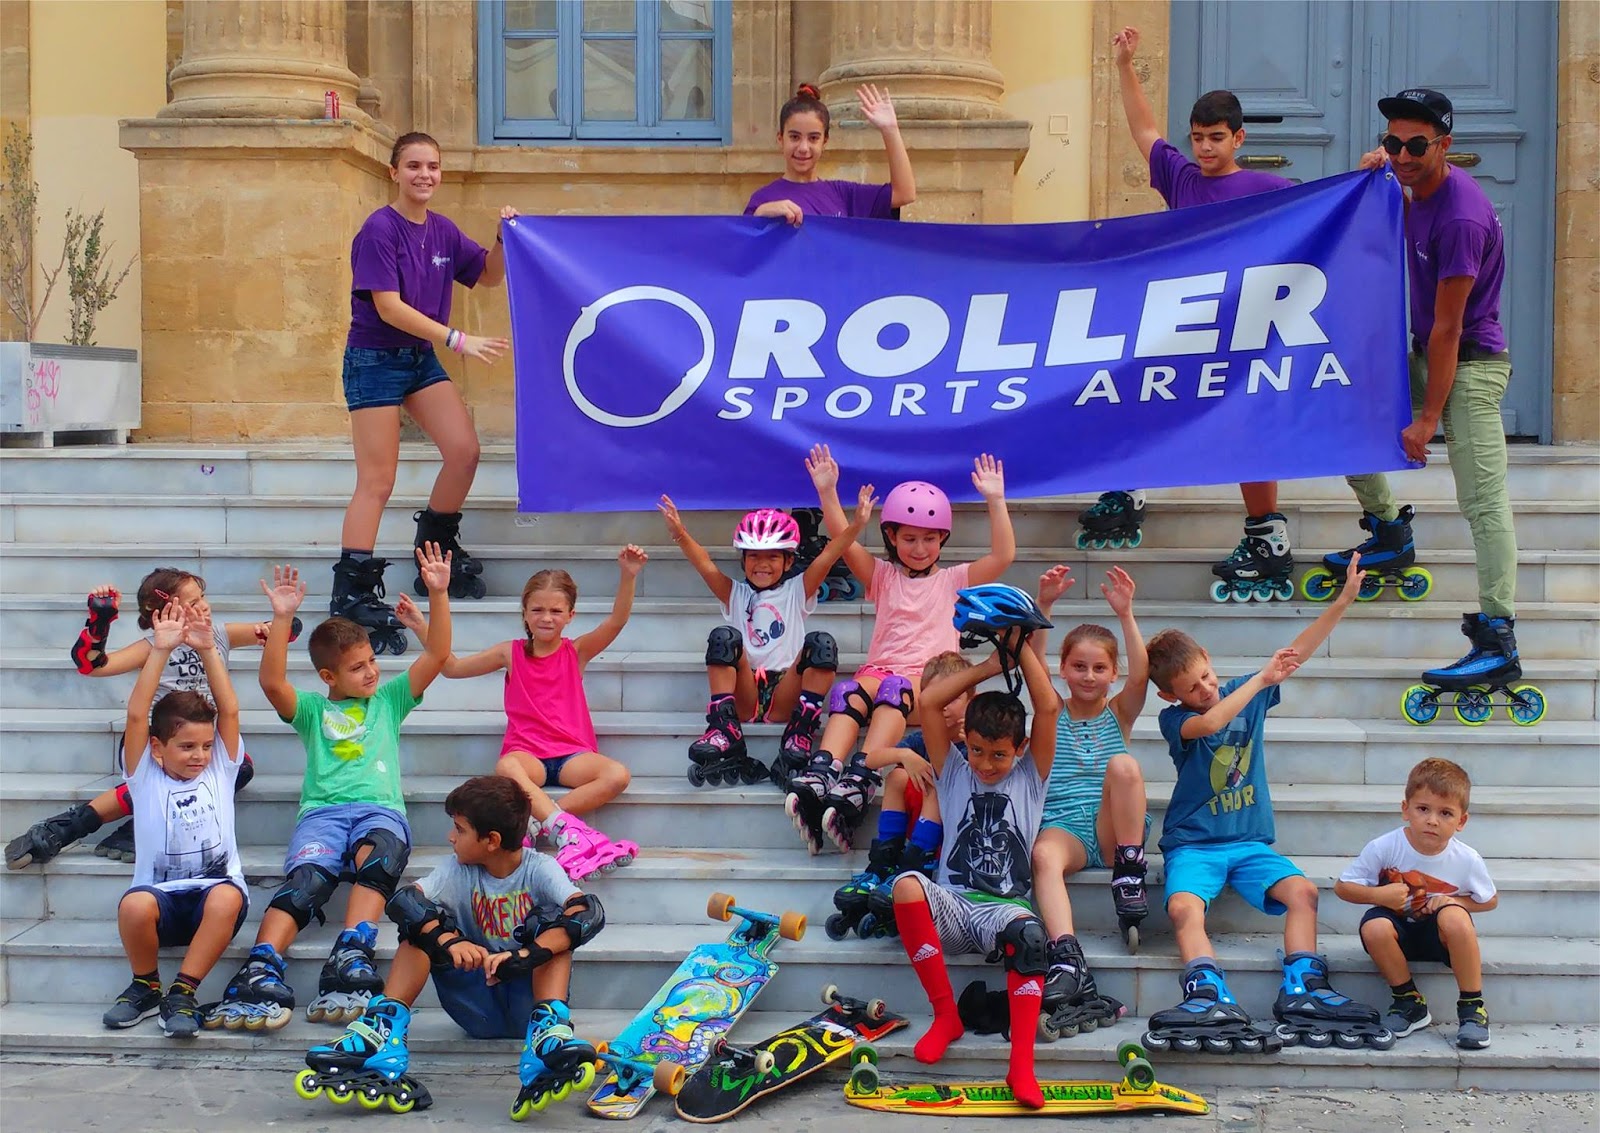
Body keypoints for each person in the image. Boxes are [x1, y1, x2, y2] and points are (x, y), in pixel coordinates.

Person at [1141, 552, 1394, 1054]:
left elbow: (1294, 653)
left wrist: (1342, 602)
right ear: (1171, 697)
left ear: (1210, 660)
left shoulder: (1244, 692)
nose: (1208, 689)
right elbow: (1211, 724)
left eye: (1209, 676)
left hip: (1249, 842)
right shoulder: (1178, 723)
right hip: (1194, 845)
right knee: (1182, 908)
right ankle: (1205, 989)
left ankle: (1303, 984)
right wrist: (1259, 679)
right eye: (1193, 688)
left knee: (1304, 892)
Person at [206, 546, 454, 1030]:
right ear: (328, 676)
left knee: (381, 855)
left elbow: (439, 653)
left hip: (379, 810)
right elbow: (272, 682)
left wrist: (439, 595)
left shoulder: (390, 700)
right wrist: (282, 619)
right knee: (307, 883)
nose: (371, 671)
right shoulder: (314, 712)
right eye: (358, 667)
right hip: (322, 814)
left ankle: (353, 947)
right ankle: (260, 964)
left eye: (370, 661)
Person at [1092, 26, 1296, 601]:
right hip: (1182, 325)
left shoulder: (1266, 187)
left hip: (1243, 329)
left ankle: (1265, 535)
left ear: (1239, 139)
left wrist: (1371, 172)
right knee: (1136, 393)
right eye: (1198, 137)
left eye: (1216, 138)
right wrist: (1127, 65)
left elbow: (1326, 213)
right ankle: (1128, 489)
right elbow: (1143, 130)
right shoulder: (1180, 179)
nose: (1205, 148)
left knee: (1248, 427)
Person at [1340, 88, 1522, 688]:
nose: (1401, 154)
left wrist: (1427, 421)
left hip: (1469, 363)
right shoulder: (1408, 183)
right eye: (1393, 142)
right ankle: (1390, 529)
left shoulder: (1461, 216)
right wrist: (1380, 165)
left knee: (1483, 503)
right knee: (1349, 419)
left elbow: (1448, 329)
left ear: (1445, 145)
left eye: (1416, 145)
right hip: (1426, 352)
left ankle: (1499, 637)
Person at [296, 776, 604, 1115]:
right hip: (474, 1004)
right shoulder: (456, 870)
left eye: (459, 829)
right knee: (420, 926)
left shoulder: (539, 869)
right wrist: (448, 940)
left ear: (491, 840)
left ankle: (549, 1032)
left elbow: (587, 912)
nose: (450, 837)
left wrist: (526, 956)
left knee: (556, 923)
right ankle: (383, 1033)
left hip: (526, 1001)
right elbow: (403, 901)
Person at [333, 130, 517, 653]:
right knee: (378, 480)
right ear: (394, 172)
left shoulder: (442, 230)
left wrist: (504, 237)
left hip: (417, 359)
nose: (425, 175)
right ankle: (351, 591)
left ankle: (435, 549)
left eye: (432, 166)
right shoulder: (379, 229)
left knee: (464, 451)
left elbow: (486, 275)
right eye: (413, 166)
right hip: (374, 359)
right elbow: (388, 307)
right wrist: (458, 338)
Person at [789, 445, 1015, 854]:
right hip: (880, 674)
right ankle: (823, 770)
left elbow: (1003, 556)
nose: (919, 547)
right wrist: (827, 493)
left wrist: (995, 499)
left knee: (892, 688)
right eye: (909, 538)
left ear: (943, 539)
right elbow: (844, 543)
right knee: (847, 693)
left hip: (928, 684)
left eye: (930, 539)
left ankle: (863, 774)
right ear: (891, 537)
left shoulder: (954, 581)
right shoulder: (882, 576)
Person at [889, 586, 1060, 1108]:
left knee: (1032, 938)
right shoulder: (955, 772)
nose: (987, 764)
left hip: (1003, 915)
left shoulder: (1032, 777)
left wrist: (1021, 647)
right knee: (904, 886)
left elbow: (1048, 705)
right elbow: (931, 702)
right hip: (953, 907)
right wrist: (990, 664)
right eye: (979, 751)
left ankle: (1021, 1069)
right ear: (965, 744)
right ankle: (946, 1015)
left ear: (1021, 750)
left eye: (1000, 755)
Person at [5, 570, 290, 867]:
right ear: (164, 610)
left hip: (196, 739)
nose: (203, 606)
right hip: (152, 740)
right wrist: (99, 622)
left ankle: (134, 824)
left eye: (202, 597)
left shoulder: (218, 633)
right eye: (192, 602)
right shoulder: (151, 645)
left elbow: (281, 632)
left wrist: (280, 622)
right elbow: (93, 666)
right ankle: (67, 826)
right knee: (164, 775)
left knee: (240, 768)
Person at [442, 553, 646, 880]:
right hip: (529, 757)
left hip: (572, 756)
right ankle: (567, 830)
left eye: (556, 611)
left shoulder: (575, 651)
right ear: (524, 613)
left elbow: (616, 621)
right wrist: (423, 625)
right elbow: (451, 667)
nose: (546, 618)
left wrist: (629, 575)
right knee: (506, 766)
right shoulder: (509, 652)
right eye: (537, 609)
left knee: (617, 774)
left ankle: (538, 823)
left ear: (570, 615)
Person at [100, 600, 247, 1040]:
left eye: (204, 746)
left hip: (213, 898)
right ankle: (146, 986)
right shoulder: (144, 775)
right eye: (186, 747)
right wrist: (160, 649)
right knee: (132, 904)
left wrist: (207, 650)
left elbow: (230, 711)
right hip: (159, 900)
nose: (199, 756)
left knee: (226, 897)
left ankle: (183, 992)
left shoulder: (221, 766)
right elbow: (135, 714)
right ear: (158, 748)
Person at [657, 488, 870, 787]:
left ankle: (800, 731)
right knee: (724, 637)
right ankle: (724, 728)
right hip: (745, 693)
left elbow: (828, 556)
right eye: (754, 556)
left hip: (786, 690)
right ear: (743, 561)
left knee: (820, 643)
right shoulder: (736, 594)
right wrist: (680, 533)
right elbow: (705, 564)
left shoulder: (797, 590)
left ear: (787, 562)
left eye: (772, 557)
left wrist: (857, 525)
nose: (762, 564)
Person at [1029, 565, 1150, 1036]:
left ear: (1112, 673)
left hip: (1114, 827)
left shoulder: (1118, 712)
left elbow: (1142, 676)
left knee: (1124, 766)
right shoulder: (1051, 710)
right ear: (1063, 669)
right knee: (1043, 854)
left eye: (1100, 668)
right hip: (1067, 828)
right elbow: (1032, 665)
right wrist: (1045, 606)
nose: (1088, 675)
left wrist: (1126, 612)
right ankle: (1067, 956)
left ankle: (1130, 871)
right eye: (1078, 666)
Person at [1334, 758, 1497, 1049]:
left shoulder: (1467, 859)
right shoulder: (1385, 846)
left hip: (1440, 938)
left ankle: (1473, 1007)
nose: (1432, 820)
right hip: (1399, 934)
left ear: (1461, 821)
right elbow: (1343, 887)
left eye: (1445, 813)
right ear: (1405, 809)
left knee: (1456, 917)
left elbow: (1489, 901)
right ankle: (1409, 1001)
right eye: (1423, 809)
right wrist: (1376, 895)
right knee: (1375, 926)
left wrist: (1454, 901)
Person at [826, 651, 971, 940]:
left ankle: (914, 866)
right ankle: (883, 864)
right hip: (918, 828)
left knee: (935, 783)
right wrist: (905, 754)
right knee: (897, 775)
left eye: (951, 697)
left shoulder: (976, 743)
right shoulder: (922, 739)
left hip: (949, 842)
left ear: (970, 702)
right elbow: (870, 759)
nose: (941, 705)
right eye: (934, 696)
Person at [744, 83, 915, 224]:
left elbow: (904, 193)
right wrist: (760, 215)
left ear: (824, 142)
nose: (803, 147)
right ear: (780, 139)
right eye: (795, 137)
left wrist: (890, 130)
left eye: (813, 138)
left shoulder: (843, 194)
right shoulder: (762, 199)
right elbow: (742, 253)